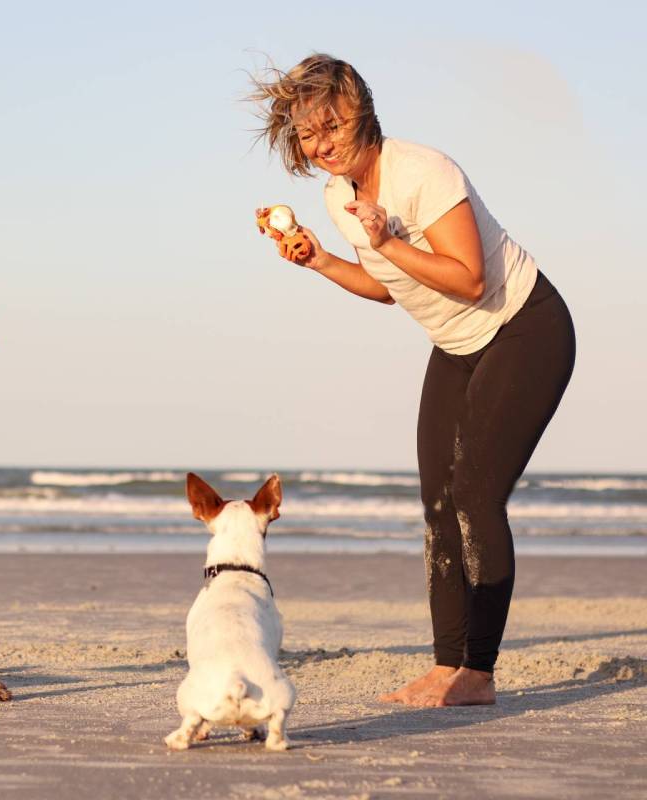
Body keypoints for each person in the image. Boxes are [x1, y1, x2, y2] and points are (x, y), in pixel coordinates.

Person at [251, 54, 576, 706]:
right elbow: (388, 289)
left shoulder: (423, 171)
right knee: (436, 505)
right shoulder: (338, 199)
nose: (323, 145)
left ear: (360, 113)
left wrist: (390, 242)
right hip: (455, 346)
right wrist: (320, 260)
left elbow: (469, 278)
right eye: (308, 136)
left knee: (476, 498)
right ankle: (444, 663)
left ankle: (477, 674)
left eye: (332, 126)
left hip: (525, 329)